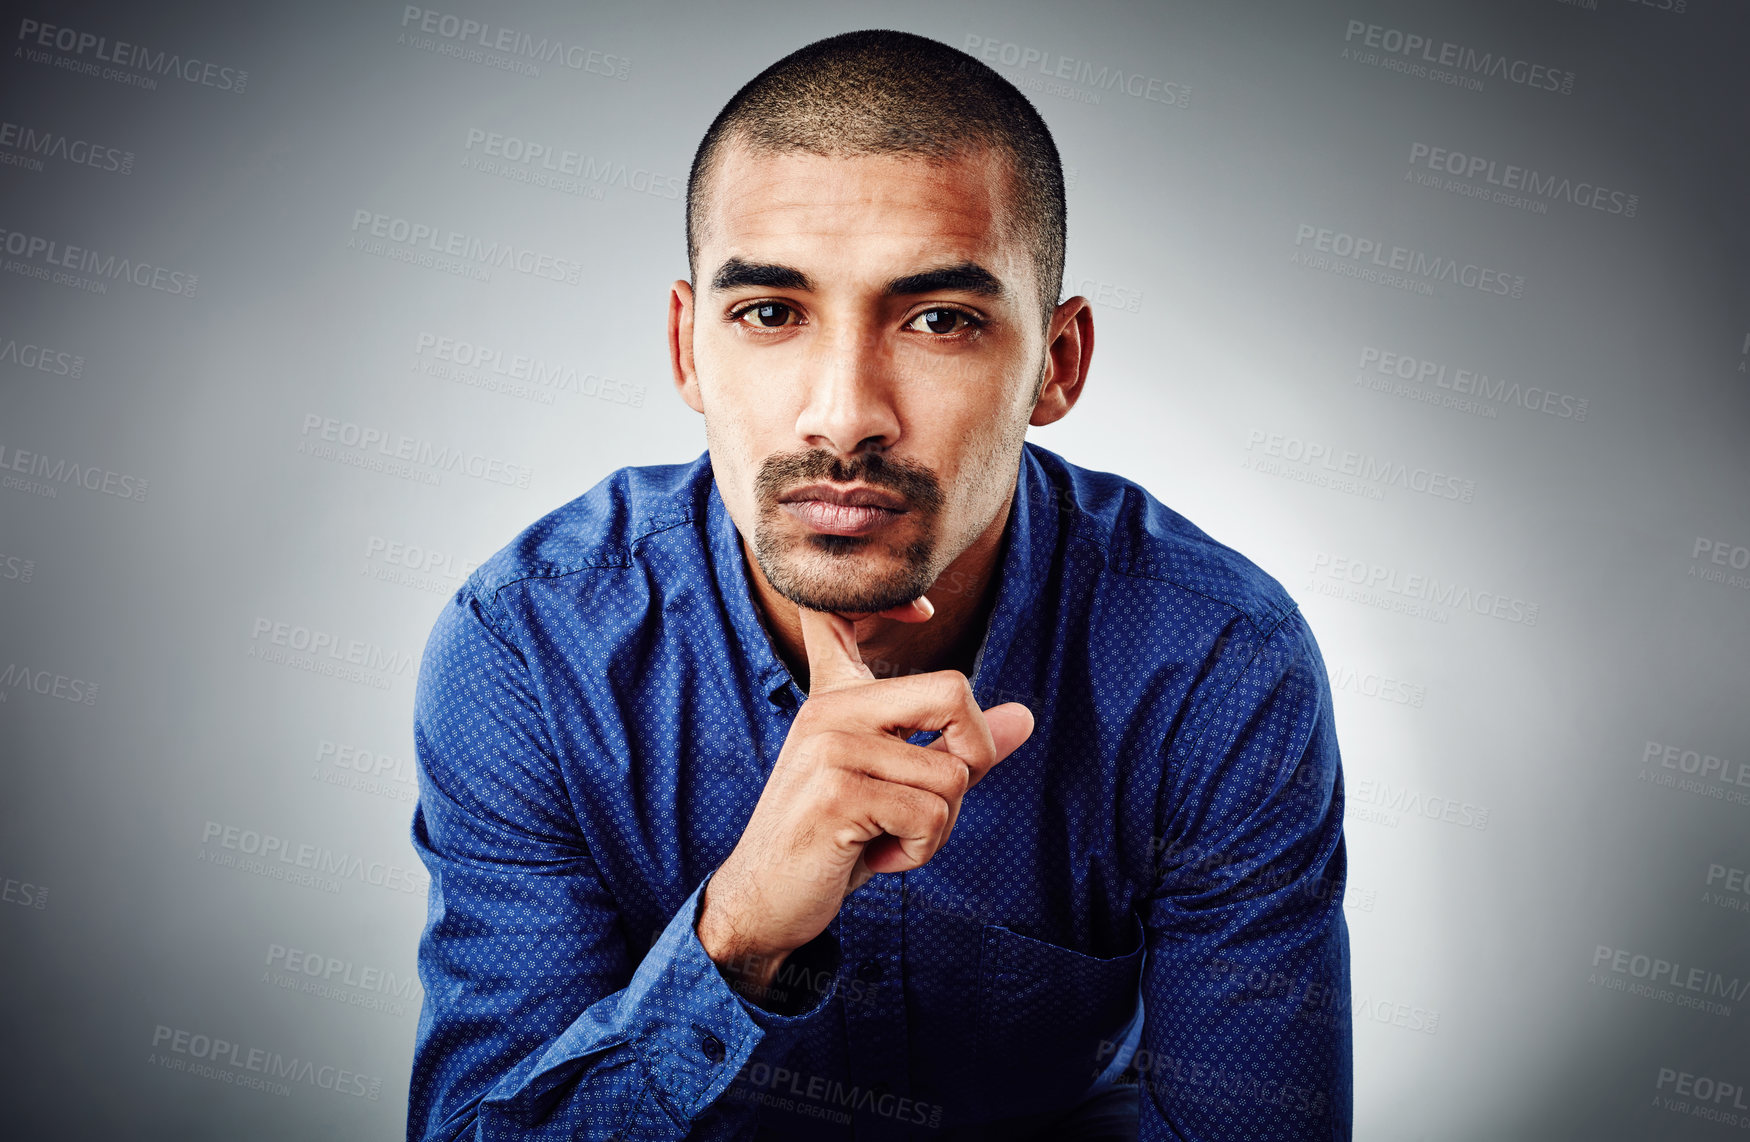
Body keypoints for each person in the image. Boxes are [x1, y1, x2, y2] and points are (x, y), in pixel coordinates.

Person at [407, 28, 1350, 1142]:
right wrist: (740, 931)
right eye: (769, 313)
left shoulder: (1214, 661)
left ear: (1056, 363)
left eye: (938, 319)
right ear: (687, 346)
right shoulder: (529, 648)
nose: (844, 412)